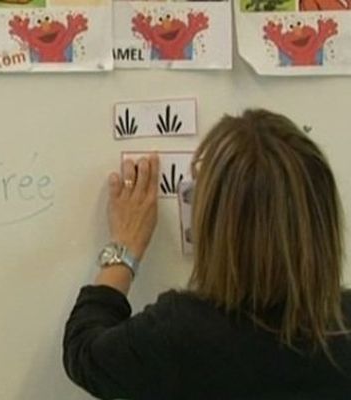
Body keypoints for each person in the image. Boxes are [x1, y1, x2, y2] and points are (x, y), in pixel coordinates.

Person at [63, 109, 351, 399]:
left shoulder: (181, 333)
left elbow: (84, 352)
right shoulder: (343, 327)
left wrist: (125, 247)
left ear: (212, 220)